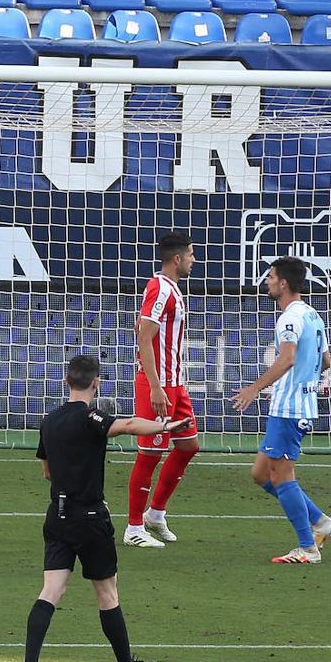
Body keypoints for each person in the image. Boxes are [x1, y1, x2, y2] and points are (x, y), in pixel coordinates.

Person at [19, 355, 192, 662]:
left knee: (51, 590)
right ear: (96, 383)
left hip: (58, 515)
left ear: (66, 381)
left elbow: (47, 472)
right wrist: (165, 427)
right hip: (90, 518)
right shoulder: (92, 418)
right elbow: (127, 425)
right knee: (106, 591)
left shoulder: (49, 421)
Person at [230, 257, 331, 564]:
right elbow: (327, 361)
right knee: (260, 473)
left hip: (290, 409)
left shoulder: (289, 318)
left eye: (271, 276)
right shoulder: (313, 315)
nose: (267, 281)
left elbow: (288, 358)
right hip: (296, 405)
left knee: (280, 476)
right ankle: (320, 521)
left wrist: (254, 388)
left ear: (284, 283)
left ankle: (307, 547)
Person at [124, 233, 200, 548]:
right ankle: (133, 528)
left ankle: (156, 513)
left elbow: (140, 328)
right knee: (150, 453)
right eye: (192, 255)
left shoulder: (169, 289)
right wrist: (154, 386)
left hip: (175, 384)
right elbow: (144, 335)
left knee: (188, 446)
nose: (195, 260)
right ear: (177, 259)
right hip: (159, 386)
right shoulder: (159, 288)